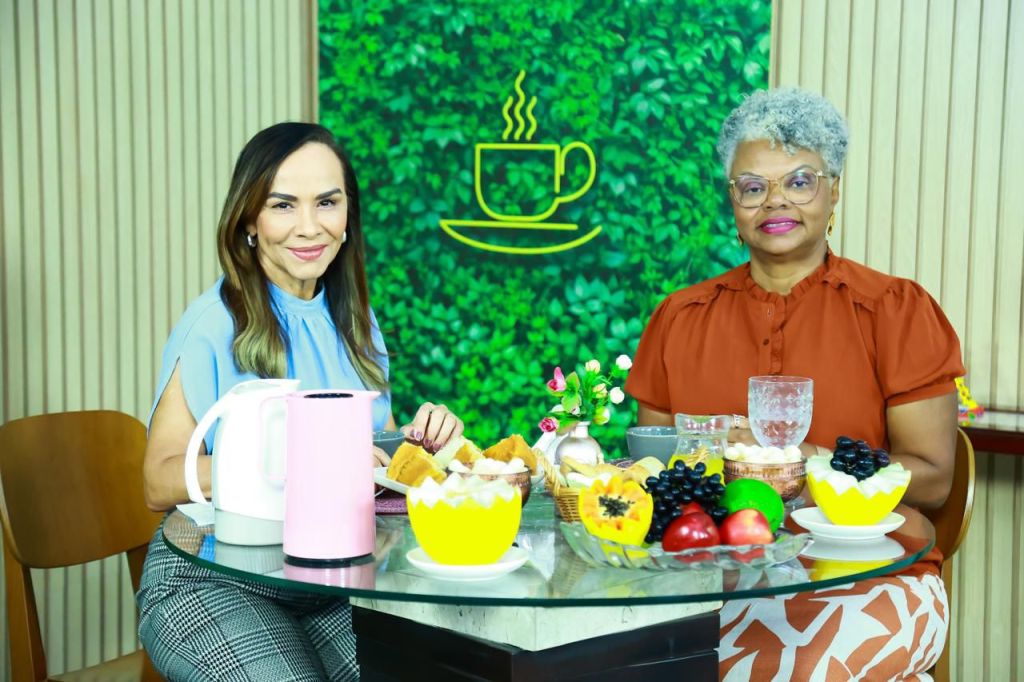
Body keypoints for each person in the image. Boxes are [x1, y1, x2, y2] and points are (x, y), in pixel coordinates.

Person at [625, 88, 964, 680]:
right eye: (753, 187)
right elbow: (653, 475)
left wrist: (809, 461)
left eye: (799, 182)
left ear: (834, 191)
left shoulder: (894, 310)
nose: (775, 201)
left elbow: (934, 481)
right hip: (707, 583)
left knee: (787, 668)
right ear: (733, 201)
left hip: (872, 577)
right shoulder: (680, 317)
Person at [137, 122, 464, 681]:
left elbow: (367, 464)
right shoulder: (213, 323)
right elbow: (158, 481)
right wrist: (303, 457)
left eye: (327, 202)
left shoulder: (356, 322)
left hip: (331, 584)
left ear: (348, 214)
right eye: (283, 205)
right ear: (249, 220)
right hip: (212, 580)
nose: (310, 226)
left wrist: (418, 447)